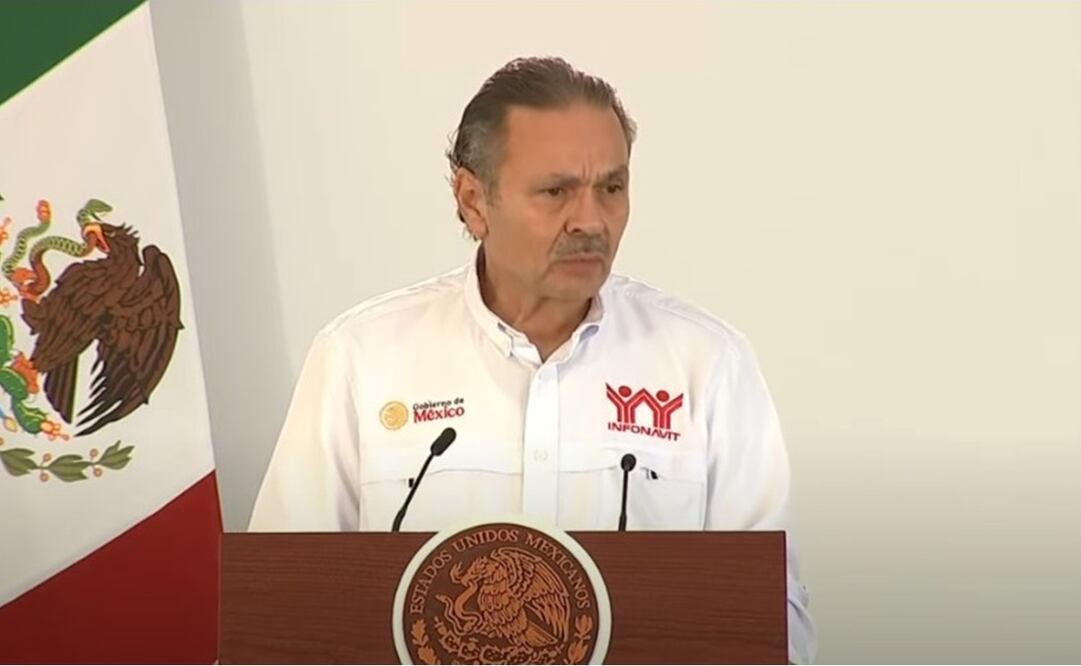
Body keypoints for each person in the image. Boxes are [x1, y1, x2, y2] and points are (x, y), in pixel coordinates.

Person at [249, 56, 815, 663]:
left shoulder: (707, 363)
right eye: (555, 191)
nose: (591, 221)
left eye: (612, 188)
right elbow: (281, 611)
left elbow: (775, 621)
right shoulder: (360, 358)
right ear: (473, 200)